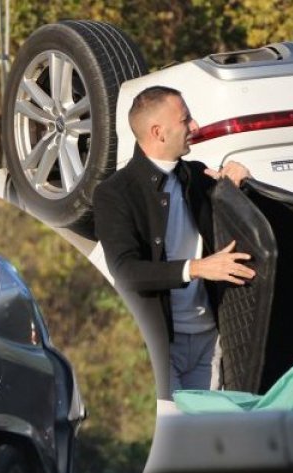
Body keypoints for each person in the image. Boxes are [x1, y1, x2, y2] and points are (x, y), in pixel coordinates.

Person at [93, 85, 256, 409]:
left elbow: (245, 225)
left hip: (210, 339)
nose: (195, 126)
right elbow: (126, 272)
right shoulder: (115, 193)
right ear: (158, 132)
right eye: (186, 120)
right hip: (159, 344)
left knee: (208, 441)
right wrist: (198, 268)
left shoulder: (197, 177)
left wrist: (239, 179)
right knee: (173, 439)